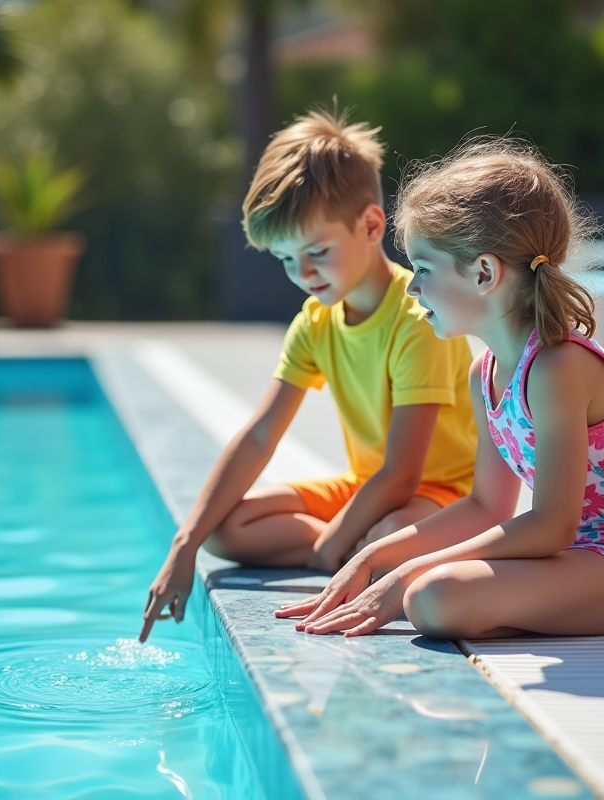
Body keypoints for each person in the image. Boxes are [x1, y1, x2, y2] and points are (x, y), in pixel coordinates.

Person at [276, 137, 604, 639]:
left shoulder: (558, 368)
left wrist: (410, 568)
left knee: (430, 595)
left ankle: (505, 606)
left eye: (423, 269)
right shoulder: (485, 373)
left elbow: (551, 524)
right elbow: (486, 507)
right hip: (576, 554)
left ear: (484, 273)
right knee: (424, 588)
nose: (412, 286)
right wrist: (372, 556)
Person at [139, 110, 477, 642]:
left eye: (317, 252)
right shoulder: (316, 321)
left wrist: (327, 545)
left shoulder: (417, 319)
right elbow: (259, 435)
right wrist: (184, 545)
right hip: (367, 487)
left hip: (439, 495)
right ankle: (359, 552)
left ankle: (359, 550)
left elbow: (402, 474)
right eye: (286, 258)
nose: (303, 274)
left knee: (389, 533)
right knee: (226, 529)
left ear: (371, 226)